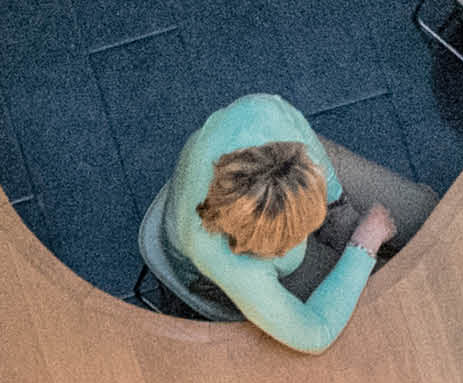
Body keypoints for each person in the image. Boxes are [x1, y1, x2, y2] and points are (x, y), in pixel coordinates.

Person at [163, 93, 438, 352]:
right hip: (209, 273)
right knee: (388, 304)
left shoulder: (262, 112)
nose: (306, 237)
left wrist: (336, 206)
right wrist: (362, 247)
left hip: (281, 186)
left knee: (426, 213)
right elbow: (314, 334)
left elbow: (314, 153)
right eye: (296, 236)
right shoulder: (223, 258)